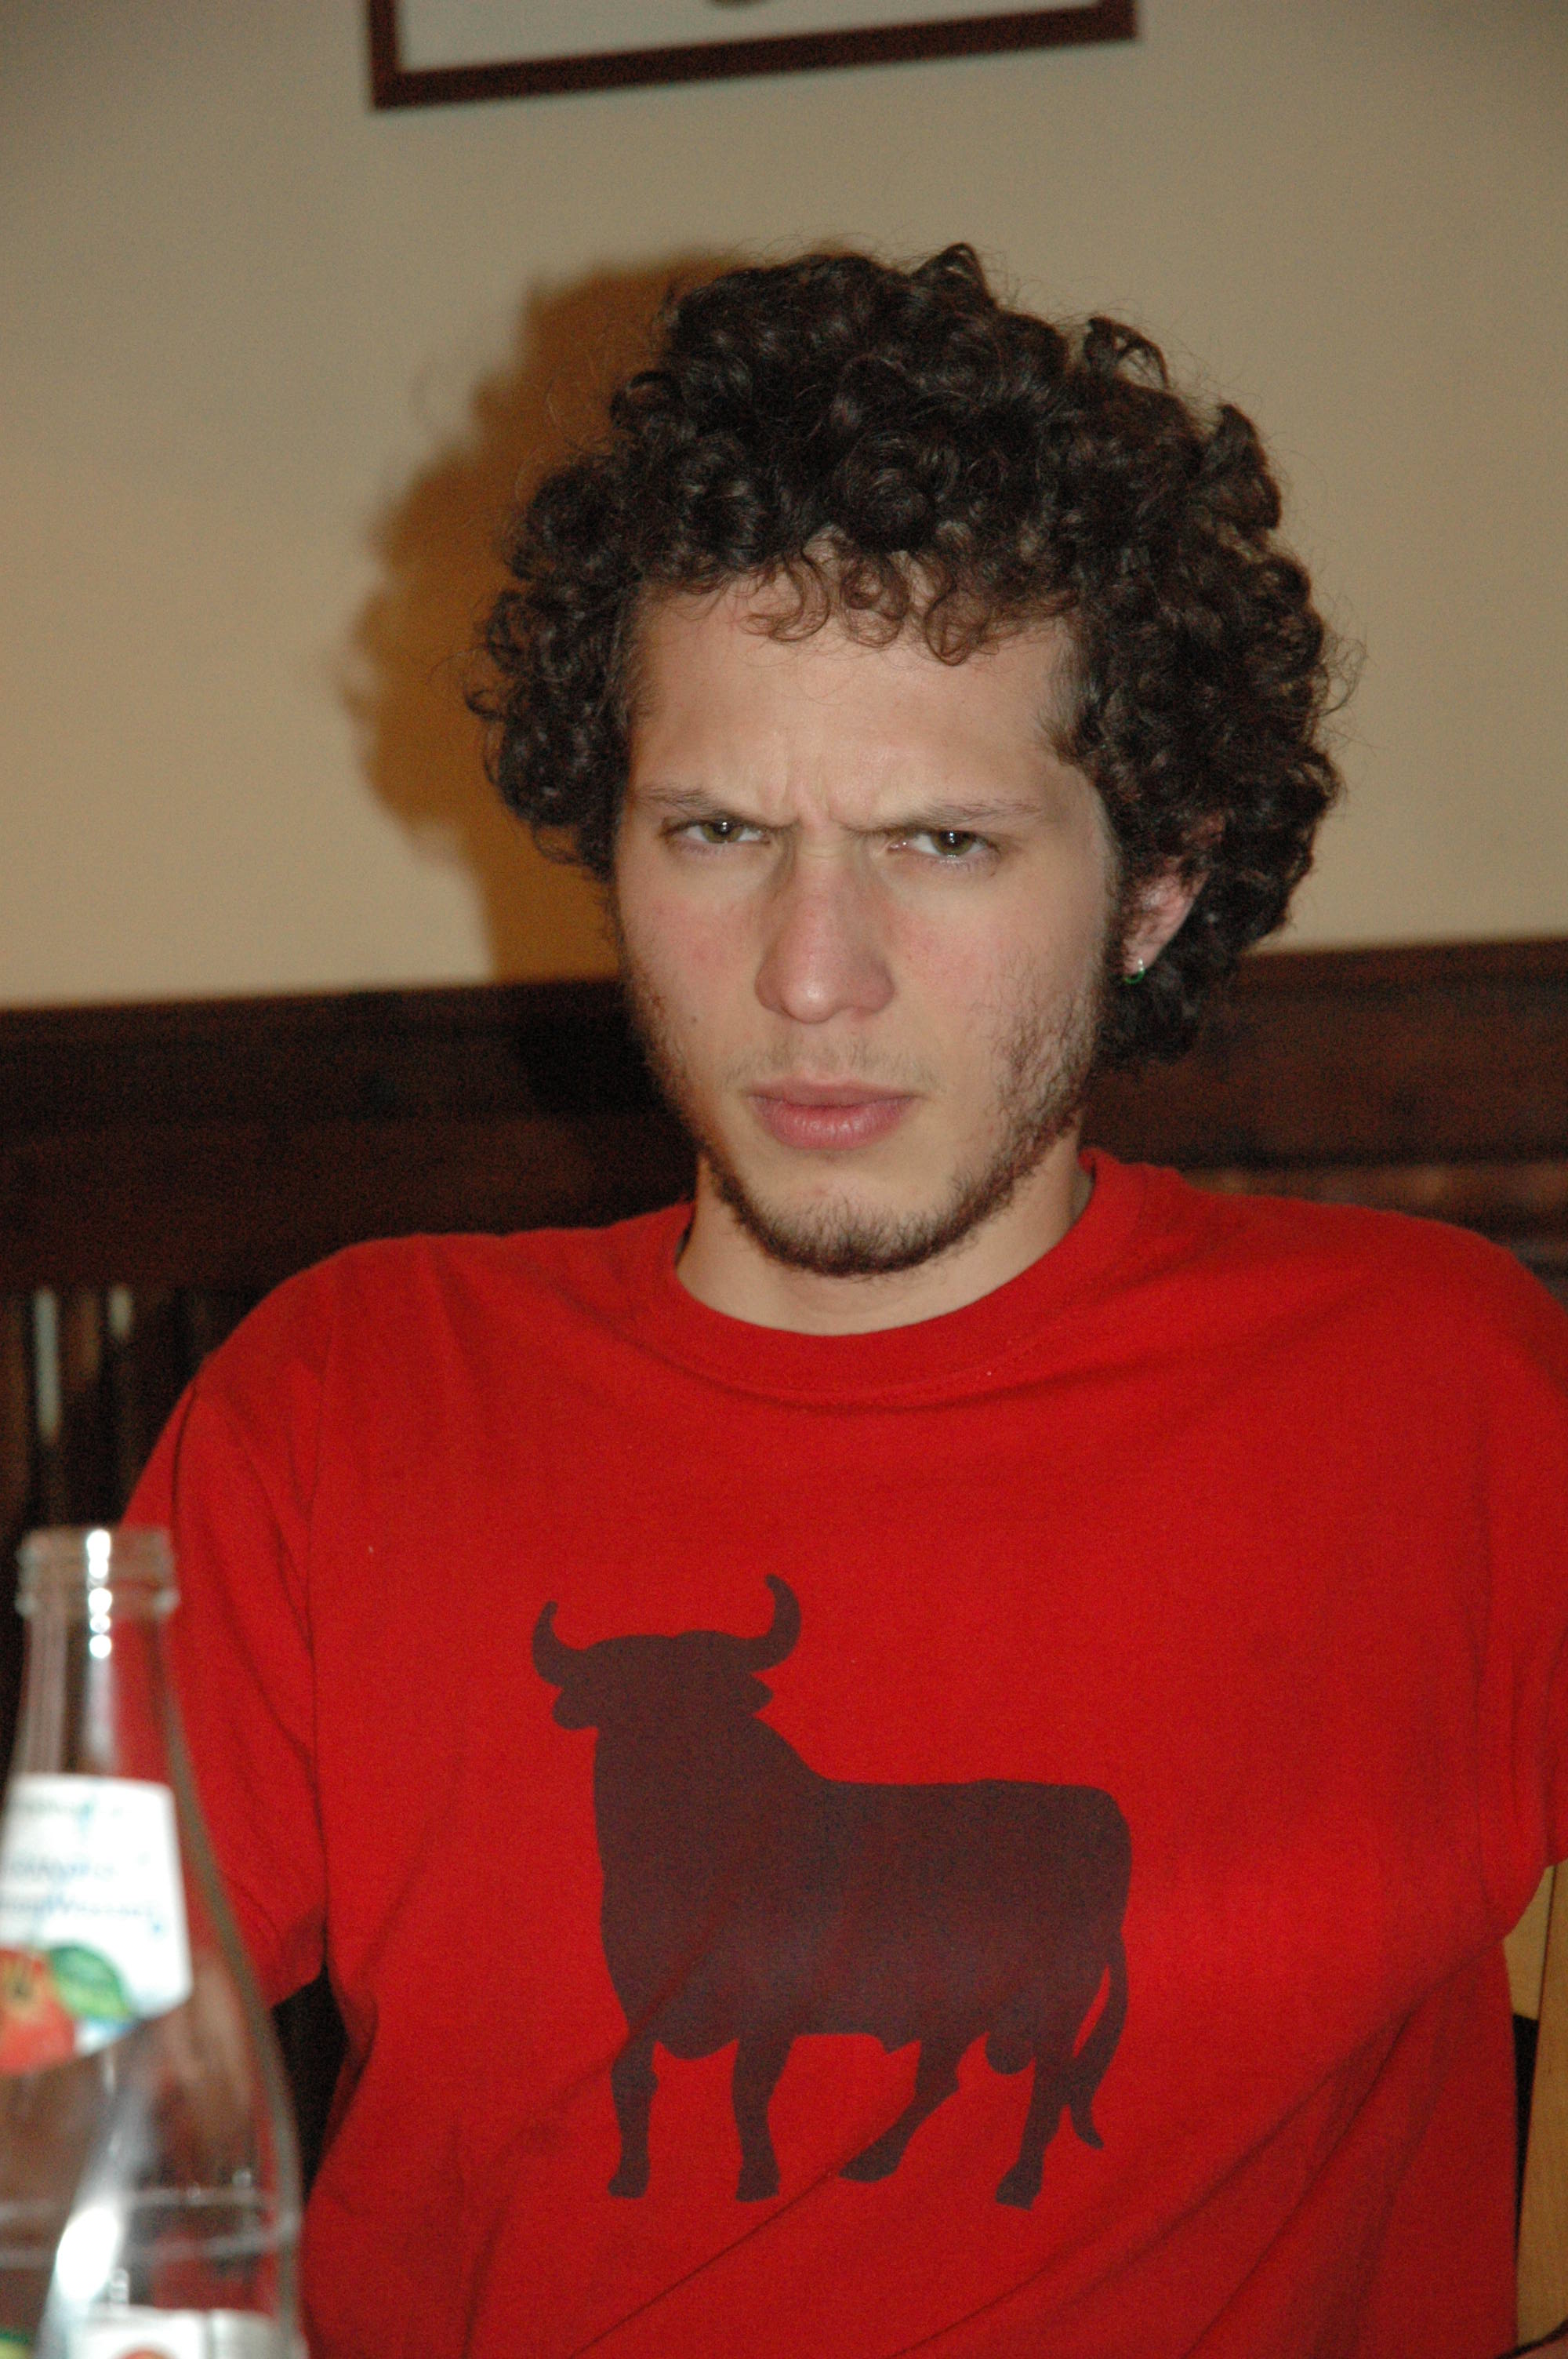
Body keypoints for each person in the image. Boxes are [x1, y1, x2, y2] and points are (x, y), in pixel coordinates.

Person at [128, 245, 1568, 2358]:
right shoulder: (341, 1403)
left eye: (944, 844)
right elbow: (60, 2079)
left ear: (1157, 880)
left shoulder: (1445, 1390)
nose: (813, 975)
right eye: (718, 829)